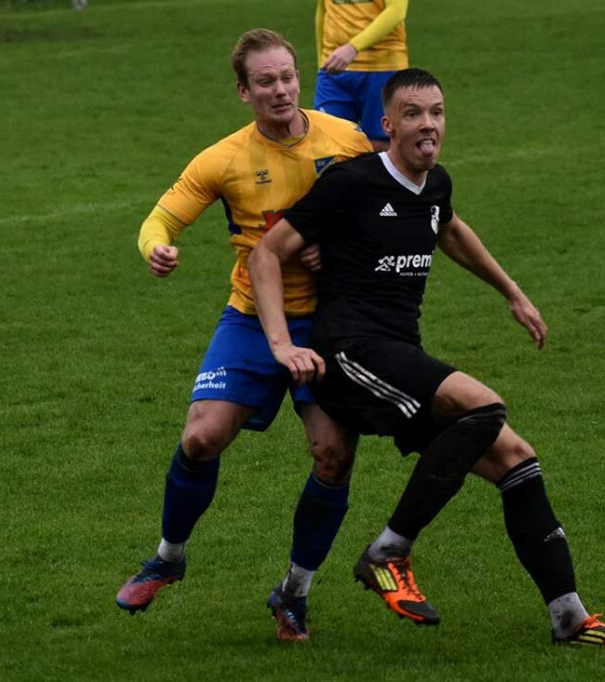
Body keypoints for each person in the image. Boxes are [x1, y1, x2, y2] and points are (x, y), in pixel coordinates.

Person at [249, 68, 605, 650]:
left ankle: (571, 618)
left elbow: (449, 230)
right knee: (483, 405)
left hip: (398, 355)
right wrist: (280, 345)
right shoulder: (353, 183)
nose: (428, 124)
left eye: (437, 112)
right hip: (349, 354)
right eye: (414, 114)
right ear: (387, 124)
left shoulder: (435, 184)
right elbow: (266, 254)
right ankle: (388, 551)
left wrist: (512, 293)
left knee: (517, 458)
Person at [115, 28, 372, 643]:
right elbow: (161, 215)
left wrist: (334, 251)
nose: (280, 89)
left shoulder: (348, 141)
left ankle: (294, 593)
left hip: (333, 323)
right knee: (201, 438)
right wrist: (157, 247)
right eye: (265, 81)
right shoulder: (224, 159)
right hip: (253, 319)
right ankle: (169, 557)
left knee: (333, 456)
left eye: (287, 75)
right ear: (243, 92)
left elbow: (385, 220)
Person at [315, 0, 408, 151]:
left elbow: (396, 12)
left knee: (381, 145)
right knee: (328, 142)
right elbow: (323, 10)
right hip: (334, 67)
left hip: (383, 66)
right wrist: (322, 61)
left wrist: (354, 47)